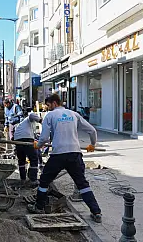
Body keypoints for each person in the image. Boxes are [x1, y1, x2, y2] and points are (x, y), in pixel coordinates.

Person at [28, 94, 102, 223]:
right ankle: (96, 212)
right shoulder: (74, 114)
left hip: (59, 154)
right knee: (82, 184)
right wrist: (92, 144)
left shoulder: (49, 116)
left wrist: (38, 145)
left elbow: (44, 138)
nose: (48, 108)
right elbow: (92, 131)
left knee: (44, 180)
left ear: (55, 103)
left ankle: (39, 207)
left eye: (49, 105)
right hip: (75, 153)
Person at [13, 112, 42, 187]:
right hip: (26, 139)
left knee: (21, 160)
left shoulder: (23, 125)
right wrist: (41, 120)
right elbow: (31, 115)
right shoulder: (28, 120)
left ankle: (23, 179)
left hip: (17, 140)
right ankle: (33, 180)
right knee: (34, 159)